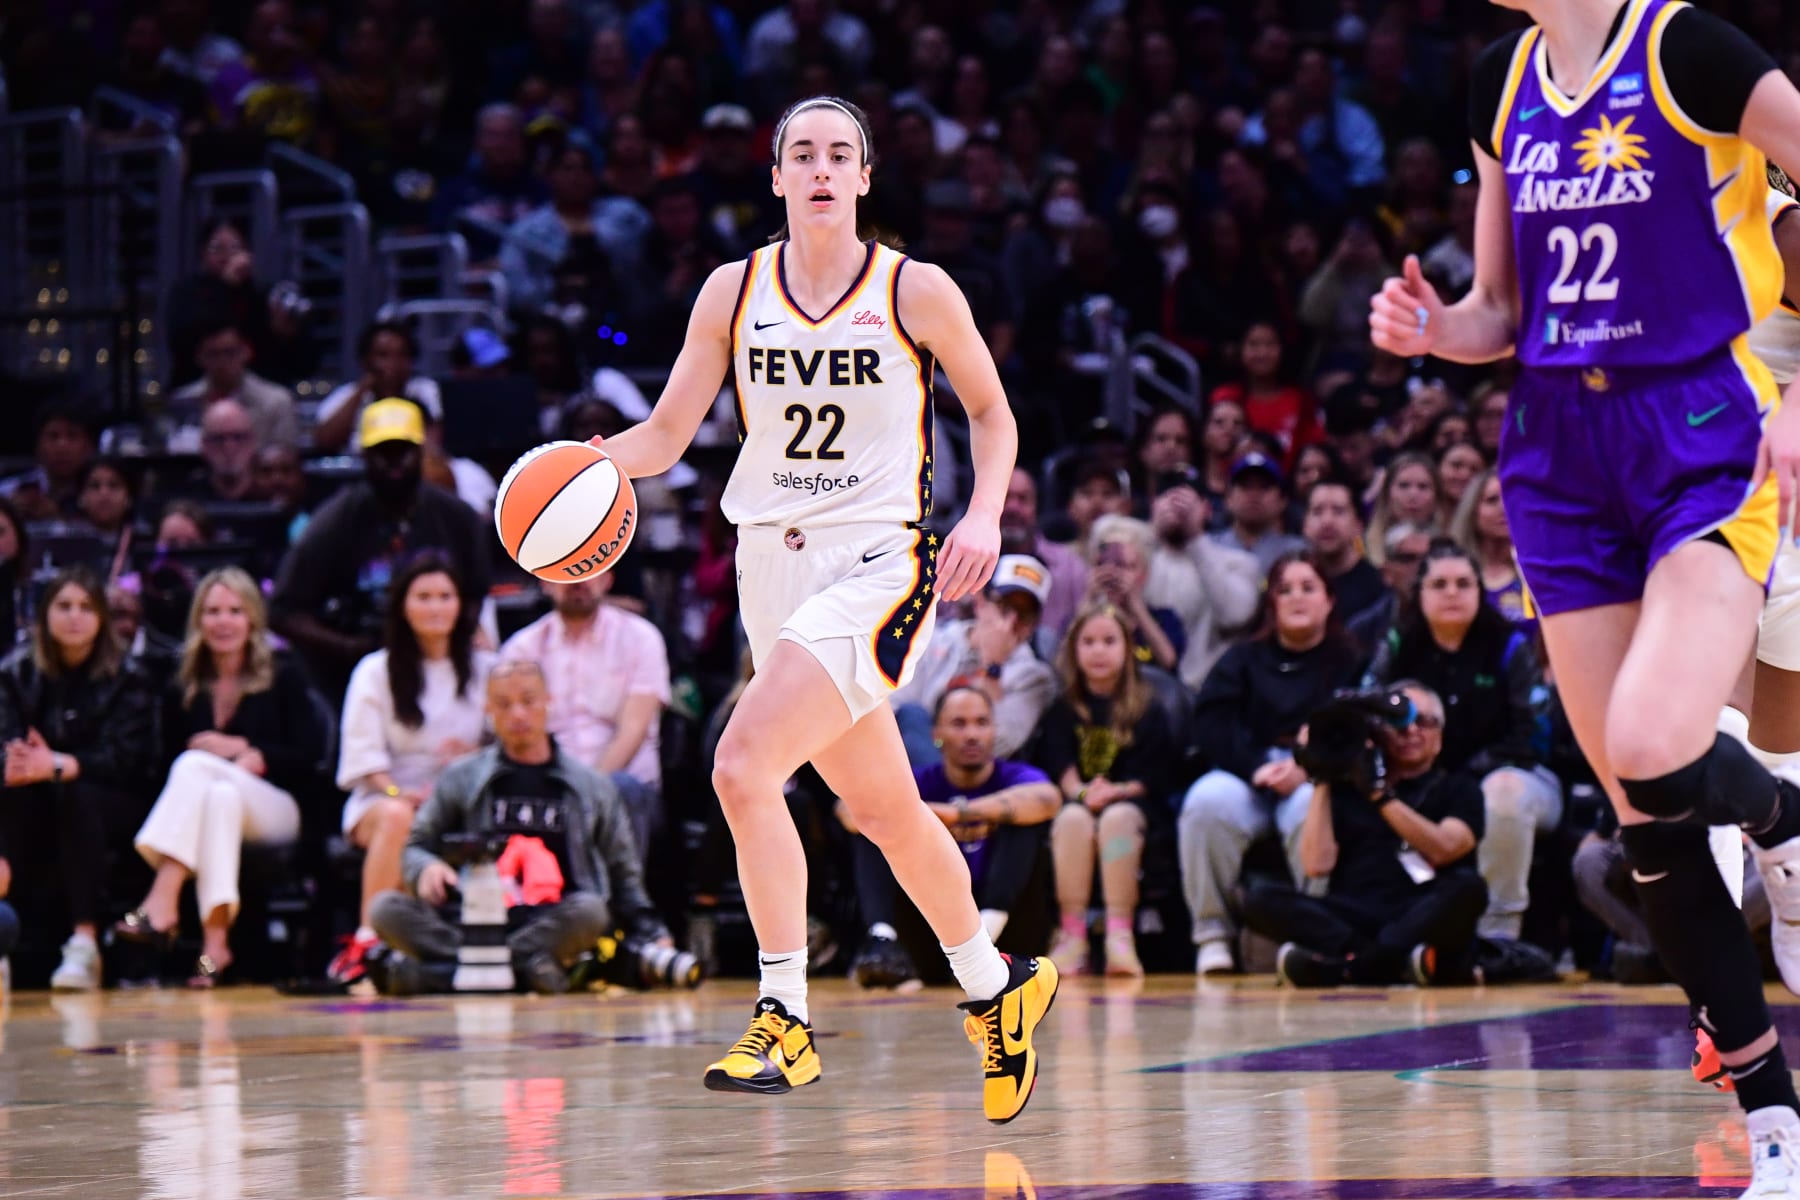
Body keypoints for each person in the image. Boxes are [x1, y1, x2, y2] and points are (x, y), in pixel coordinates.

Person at [1370, 0, 1800, 1180]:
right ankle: (1777, 1122)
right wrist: (1430, 327)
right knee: (1645, 818)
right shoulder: (1500, 81)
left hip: (1700, 427)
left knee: (1657, 744)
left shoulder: (1690, 50)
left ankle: (1780, 819)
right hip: (1555, 448)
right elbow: (1500, 316)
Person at [596, 95, 1056, 1121]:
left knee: (740, 763)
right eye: (798, 152)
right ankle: (997, 984)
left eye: (836, 153)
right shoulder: (732, 289)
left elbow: (991, 409)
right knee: (885, 811)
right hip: (772, 569)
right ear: (774, 177)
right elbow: (667, 435)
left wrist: (982, 516)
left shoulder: (915, 289)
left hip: (880, 563)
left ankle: (786, 1016)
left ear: (862, 177)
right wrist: (584, 468)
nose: (817, 167)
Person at [370, 660, 669, 995]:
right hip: (473, 919)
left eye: (528, 701)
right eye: (503, 704)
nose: (517, 714)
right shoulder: (462, 777)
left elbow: (622, 872)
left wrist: (652, 933)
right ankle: (524, 972)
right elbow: (417, 844)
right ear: (488, 710)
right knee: (384, 908)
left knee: (590, 911)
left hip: (549, 920)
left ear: (548, 702)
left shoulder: (592, 787)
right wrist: (426, 868)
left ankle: (441, 975)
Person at [114, 568, 324, 986]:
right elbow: (162, 769)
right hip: (216, 806)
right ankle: (216, 945)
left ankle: (163, 894)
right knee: (219, 794)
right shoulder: (182, 685)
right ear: (198, 621)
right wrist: (227, 766)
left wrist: (251, 752)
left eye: (234, 611)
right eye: (212, 611)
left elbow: (310, 755)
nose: (223, 622)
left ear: (252, 620)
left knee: (196, 765)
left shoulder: (284, 673)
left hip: (277, 808)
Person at [1177, 551, 1365, 974]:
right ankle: (1212, 936)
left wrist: (1310, 767)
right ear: (1271, 604)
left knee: (1308, 810)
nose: (1296, 597)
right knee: (1206, 803)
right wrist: (1256, 765)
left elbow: (1357, 728)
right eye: (1285, 589)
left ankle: (1313, 933)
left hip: (1318, 778)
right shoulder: (1242, 659)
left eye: (1308, 587)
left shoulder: (1351, 660)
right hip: (1251, 775)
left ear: (1329, 599)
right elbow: (1211, 723)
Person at [1366, 541, 1560, 943]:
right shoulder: (1399, 645)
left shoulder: (1509, 646)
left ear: (1479, 592)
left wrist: (1463, 779)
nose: (1451, 593)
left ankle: (1498, 936)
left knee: (1501, 793)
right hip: (1424, 778)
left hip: (1518, 776)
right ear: (1419, 594)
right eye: (1438, 584)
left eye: (1462, 583)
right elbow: (1364, 712)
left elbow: (1535, 736)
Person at [1250, 681, 1489, 988]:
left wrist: (1379, 795)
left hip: (1418, 910)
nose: (1411, 730)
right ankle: (1391, 963)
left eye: (1424, 722)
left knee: (1469, 888)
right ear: (1376, 732)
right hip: (1353, 914)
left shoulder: (1459, 787)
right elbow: (1315, 865)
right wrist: (1323, 772)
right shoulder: (1346, 787)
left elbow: (1447, 847)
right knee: (1260, 898)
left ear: (1440, 736)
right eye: (1398, 722)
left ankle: (1347, 967)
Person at [331, 554, 494, 987]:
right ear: (403, 604)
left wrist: (475, 753)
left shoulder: (485, 669)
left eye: (445, 596)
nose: (436, 607)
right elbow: (363, 759)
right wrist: (397, 794)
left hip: (458, 799)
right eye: (423, 597)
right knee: (400, 818)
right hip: (383, 798)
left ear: (461, 605)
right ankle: (368, 941)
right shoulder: (374, 671)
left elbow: (504, 748)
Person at [270, 400, 491, 701]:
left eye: (403, 451)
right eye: (382, 453)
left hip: (444, 661)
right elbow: (284, 611)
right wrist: (347, 646)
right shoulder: (335, 521)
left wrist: (445, 637)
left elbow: (476, 592)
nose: (394, 463)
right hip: (354, 672)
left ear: (422, 450)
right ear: (364, 455)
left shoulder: (457, 518)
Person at [0, 568, 158, 990]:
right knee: (13, 793)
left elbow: (130, 762)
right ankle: (3, 942)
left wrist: (62, 764)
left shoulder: (130, 675)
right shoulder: (14, 672)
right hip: (34, 795)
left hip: (113, 802)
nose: (74, 617)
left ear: (103, 617)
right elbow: (7, 744)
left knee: (77, 794)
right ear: (43, 615)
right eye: (63, 606)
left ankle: (84, 943)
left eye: (86, 607)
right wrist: (19, 763)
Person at [842, 685, 1060, 989]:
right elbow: (847, 811)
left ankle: (985, 937)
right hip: (936, 933)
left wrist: (959, 813)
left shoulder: (1013, 776)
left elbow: (1048, 799)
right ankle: (883, 940)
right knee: (874, 824)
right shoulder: (920, 780)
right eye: (959, 724)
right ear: (936, 734)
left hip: (1010, 932)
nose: (972, 734)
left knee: (1022, 819)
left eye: (981, 723)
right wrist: (915, 816)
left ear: (994, 730)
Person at [1038, 602, 1174, 979]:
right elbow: (1061, 768)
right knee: (1071, 820)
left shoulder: (1149, 706)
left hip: (1133, 807)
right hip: (1080, 803)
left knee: (1116, 820)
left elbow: (1152, 776)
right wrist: (1083, 793)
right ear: (1074, 651)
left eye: (1109, 641)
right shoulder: (1063, 709)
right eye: (1089, 642)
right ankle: (1072, 933)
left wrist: (1112, 792)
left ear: (1128, 650)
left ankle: (1119, 934)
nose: (1099, 650)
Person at [499, 572, 671, 860]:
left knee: (621, 789)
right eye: (565, 570)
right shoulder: (522, 648)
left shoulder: (642, 638)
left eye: (588, 570)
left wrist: (586, 789)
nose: (577, 579)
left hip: (621, 781)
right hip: (547, 779)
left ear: (608, 579)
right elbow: (515, 731)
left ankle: (620, 903)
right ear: (545, 581)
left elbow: (633, 731)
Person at [888, 554, 1057, 764]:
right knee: (911, 716)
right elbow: (895, 710)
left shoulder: (1034, 677)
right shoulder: (932, 641)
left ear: (1034, 625)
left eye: (1024, 615)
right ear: (980, 602)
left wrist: (993, 667)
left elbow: (999, 744)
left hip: (980, 780)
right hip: (913, 760)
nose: (1012, 622)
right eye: (1005, 607)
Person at [1450, 469, 1533, 632]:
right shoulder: (1452, 573)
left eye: (1510, 499)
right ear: (1472, 512)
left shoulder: (1535, 573)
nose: (1503, 508)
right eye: (1492, 500)